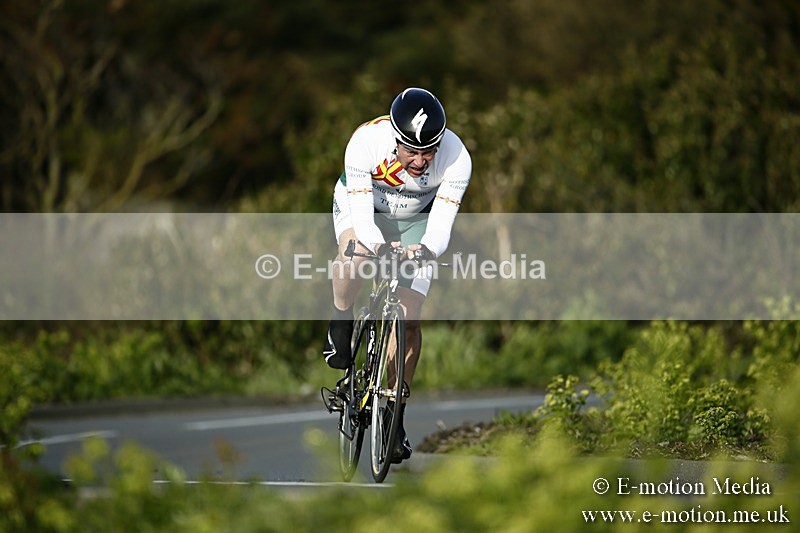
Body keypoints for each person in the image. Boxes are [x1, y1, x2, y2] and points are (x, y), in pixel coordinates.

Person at [322, 87, 472, 463]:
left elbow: (440, 227)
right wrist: (380, 247)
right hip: (364, 210)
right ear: (395, 139)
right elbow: (359, 214)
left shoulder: (457, 158)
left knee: (409, 318)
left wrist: (423, 250)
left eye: (429, 151)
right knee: (353, 255)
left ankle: (394, 416)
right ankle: (340, 317)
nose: (421, 162)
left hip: (417, 221)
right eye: (412, 152)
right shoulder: (365, 142)